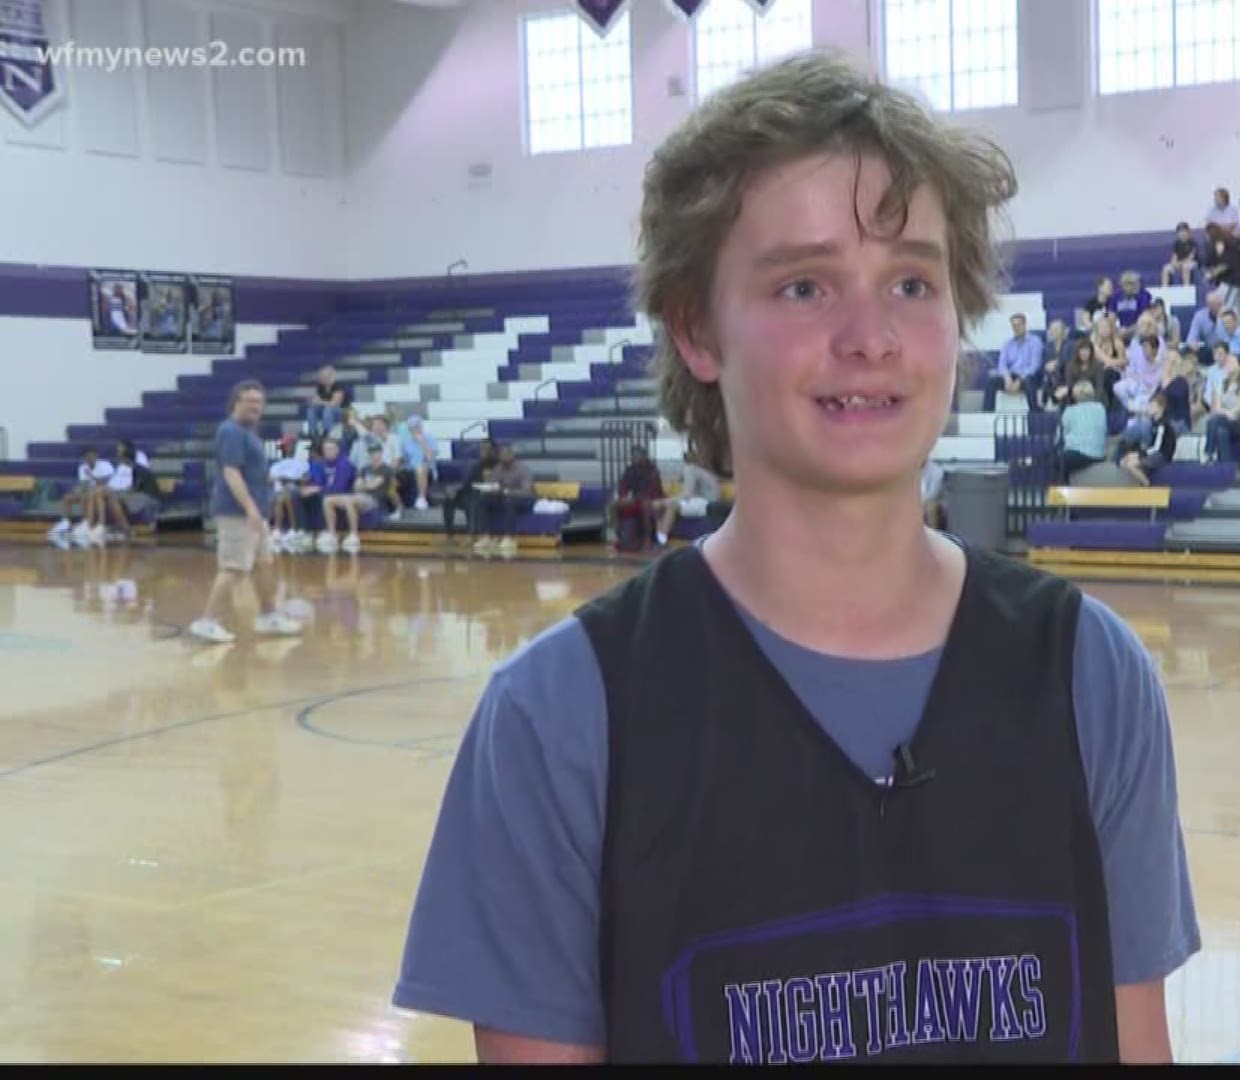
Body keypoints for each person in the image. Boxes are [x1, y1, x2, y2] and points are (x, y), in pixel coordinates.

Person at [394, 56, 1196, 1065]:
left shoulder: (1091, 675)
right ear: (696, 327)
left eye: (912, 281)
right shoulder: (561, 720)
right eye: (805, 285)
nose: (870, 337)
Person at [192, 381, 302, 644]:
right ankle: (207, 621)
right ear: (235, 403)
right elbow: (231, 472)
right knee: (232, 567)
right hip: (237, 512)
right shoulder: (230, 431)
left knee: (264, 564)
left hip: (254, 513)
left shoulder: (249, 432)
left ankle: (268, 615)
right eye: (249, 401)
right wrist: (251, 509)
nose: (255, 406)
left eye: (259, 402)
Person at [323, 441, 393, 552]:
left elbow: (373, 486)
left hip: (374, 500)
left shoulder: (386, 469)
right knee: (328, 500)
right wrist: (366, 485)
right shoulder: (364, 468)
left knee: (348, 500)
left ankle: (353, 535)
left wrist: (364, 484)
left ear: (381, 453)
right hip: (359, 496)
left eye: (376, 452)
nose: (373, 454)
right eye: (371, 452)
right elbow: (356, 486)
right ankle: (332, 534)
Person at [473, 442, 535, 558]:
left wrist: (505, 491)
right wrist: (488, 488)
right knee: (483, 500)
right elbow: (492, 484)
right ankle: (486, 537)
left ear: (512, 455)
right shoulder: (498, 468)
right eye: (501, 454)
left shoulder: (522, 469)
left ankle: (510, 537)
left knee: (509, 501)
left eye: (506, 454)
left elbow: (526, 492)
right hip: (502, 498)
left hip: (524, 500)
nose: (503, 457)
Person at [651, 455, 724, 546]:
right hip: (703, 502)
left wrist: (665, 501)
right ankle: (660, 537)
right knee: (659, 505)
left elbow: (687, 494)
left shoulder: (690, 469)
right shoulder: (702, 471)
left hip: (706, 503)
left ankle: (661, 540)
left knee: (671, 505)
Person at [47, 448, 111, 548]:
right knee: (67, 497)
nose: (89, 459)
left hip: (104, 492)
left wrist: (91, 476)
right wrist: (78, 489)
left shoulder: (105, 465)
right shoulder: (82, 468)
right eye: (87, 457)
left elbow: (105, 482)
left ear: (96, 456)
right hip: (89, 492)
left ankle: (87, 524)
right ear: (84, 458)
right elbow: (84, 484)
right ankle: (66, 522)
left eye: (92, 456)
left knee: (89, 494)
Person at [608, 443, 665, 552]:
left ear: (644, 456)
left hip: (651, 498)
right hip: (634, 498)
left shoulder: (653, 470)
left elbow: (653, 489)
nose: (635, 457)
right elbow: (623, 485)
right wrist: (623, 496)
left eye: (638, 455)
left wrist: (637, 497)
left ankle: (647, 538)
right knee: (613, 505)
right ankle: (619, 535)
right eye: (633, 455)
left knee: (645, 505)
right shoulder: (630, 469)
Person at [1203, 352, 1240, 462]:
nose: (1227, 364)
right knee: (1221, 431)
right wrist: (1224, 412)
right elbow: (1215, 410)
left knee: (1214, 421)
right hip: (1225, 422)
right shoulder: (1222, 384)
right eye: (1227, 362)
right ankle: (1226, 468)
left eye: (1231, 362)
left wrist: (1222, 412)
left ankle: (1208, 453)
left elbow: (1236, 412)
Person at [984, 313, 1043, 413]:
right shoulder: (1008, 343)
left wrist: (1019, 380)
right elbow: (1002, 364)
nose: (1016, 328)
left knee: (1029, 381)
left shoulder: (1035, 341)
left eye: (1019, 325)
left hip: (1028, 376)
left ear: (1025, 325)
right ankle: (987, 413)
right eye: (1014, 326)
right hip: (1011, 376)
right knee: (991, 381)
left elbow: (1034, 366)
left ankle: (1034, 412)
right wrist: (1007, 378)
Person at [1118, 393, 1177, 487]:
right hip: (1152, 452)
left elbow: (1157, 448)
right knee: (1123, 462)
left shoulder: (1163, 424)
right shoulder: (1154, 423)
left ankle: (1147, 485)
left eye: (1152, 405)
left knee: (1131, 465)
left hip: (1161, 455)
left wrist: (1139, 454)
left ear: (1160, 408)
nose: (1149, 408)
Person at [306, 363, 351, 438]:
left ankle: (328, 432)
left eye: (324, 376)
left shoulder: (338, 387)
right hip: (325, 411)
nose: (321, 378)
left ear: (331, 376)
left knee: (328, 409)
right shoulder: (320, 387)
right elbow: (314, 400)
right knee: (311, 409)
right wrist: (312, 401)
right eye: (321, 376)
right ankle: (313, 433)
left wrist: (320, 402)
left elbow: (334, 403)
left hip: (342, 412)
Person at [1161, 222, 1198, 286]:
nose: (1182, 233)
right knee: (1166, 268)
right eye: (1180, 232)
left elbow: (1191, 257)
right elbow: (1174, 257)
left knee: (1185, 267)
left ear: (1189, 232)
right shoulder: (1177, 244)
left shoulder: (1193, 243)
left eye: (1184, 231)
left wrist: (1181, 263)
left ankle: (1187, 288)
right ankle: (1165, 290)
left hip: (1192, 263)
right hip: (1179, 263)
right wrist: (1174, 264)